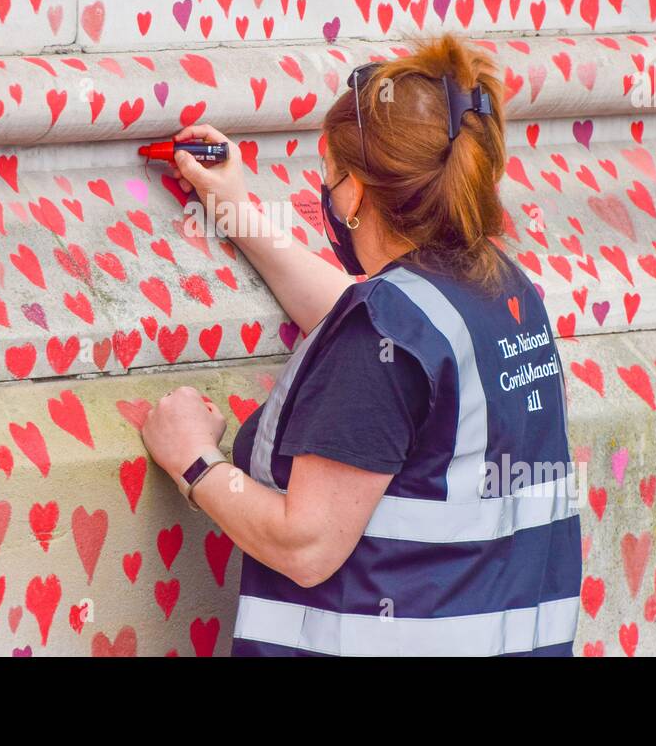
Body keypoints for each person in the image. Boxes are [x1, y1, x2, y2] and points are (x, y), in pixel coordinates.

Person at [140, 32, 582, 656]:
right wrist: (235, 208)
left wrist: (194, 460)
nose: (327, 192)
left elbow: (306, 545)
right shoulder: (502, 294)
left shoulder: (389, 330)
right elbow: (366, 326)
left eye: (329, 174)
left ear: (354, 193)